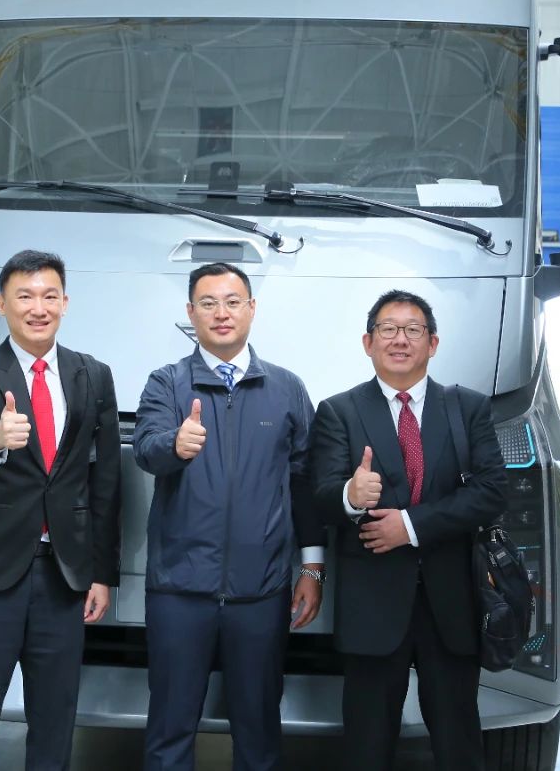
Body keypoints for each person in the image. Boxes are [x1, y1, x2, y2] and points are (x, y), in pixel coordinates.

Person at [133, 262, 325, 771]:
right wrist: (174, 444)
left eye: (233, 301)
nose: (222, 313)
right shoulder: (167, 383)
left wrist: (312, 568)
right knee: (169, 732)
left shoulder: (286, 388)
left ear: (251, 309)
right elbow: (147, 449)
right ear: (191, 312)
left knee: (259, 734)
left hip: (261, 593)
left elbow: (304, 482)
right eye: (209, 303)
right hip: (179, 590)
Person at [0, 250, 121, 771]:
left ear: (65, 302)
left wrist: (102, 573)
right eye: (25, 296)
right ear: (2, 304)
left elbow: (105, 481)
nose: (38, 308)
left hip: (63, 578)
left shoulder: (93, 375)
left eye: (49, 296)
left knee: (55, 726)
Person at [309, 290, 507, 771]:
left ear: (432, 343)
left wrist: (411, 526)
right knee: (366, 747)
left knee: (459, 745)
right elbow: (319, 496)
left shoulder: (468, 408)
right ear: (368, 342)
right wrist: (350, 495)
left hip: (452, 604)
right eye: (388, 329)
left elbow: (492, 491)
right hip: (373, 606)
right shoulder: (338, 411)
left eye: (413, 330)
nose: (400, 339)